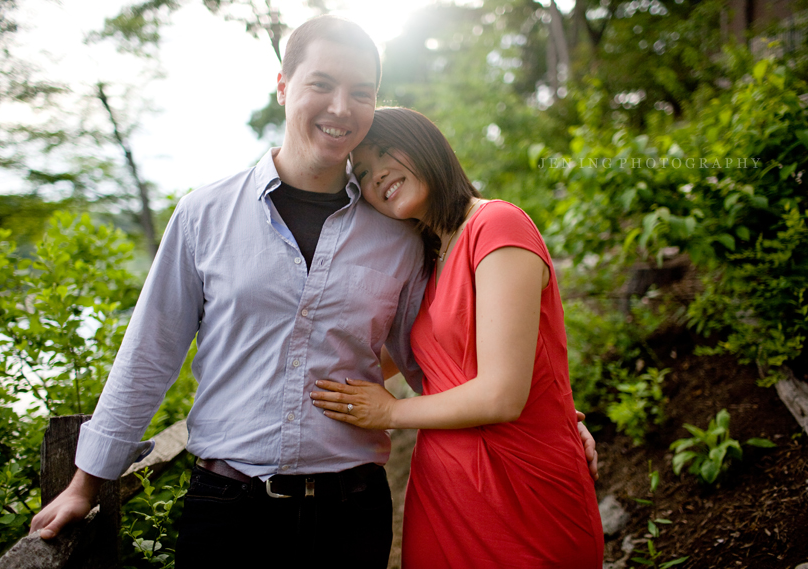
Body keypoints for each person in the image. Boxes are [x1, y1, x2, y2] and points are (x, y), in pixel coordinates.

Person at [30, 17, 597, 568]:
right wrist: (87, 484)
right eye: (321, 84)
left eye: (360, 91)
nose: (340, 106)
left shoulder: (398, 232)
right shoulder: (205, 214)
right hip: (227, 508)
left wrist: (558, 420)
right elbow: (149, 353)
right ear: (283, 87)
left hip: (353, 512)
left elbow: (441, 354)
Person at [310, 107, 604, 568]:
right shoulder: (427, 260)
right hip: (444, 497)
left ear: (427, 144)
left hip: (523, 492)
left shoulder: (495, 226)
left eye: (387, 151)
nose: (378, 173)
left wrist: (390, 411)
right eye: (363, 172)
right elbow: (369, 354)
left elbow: (503, 395)